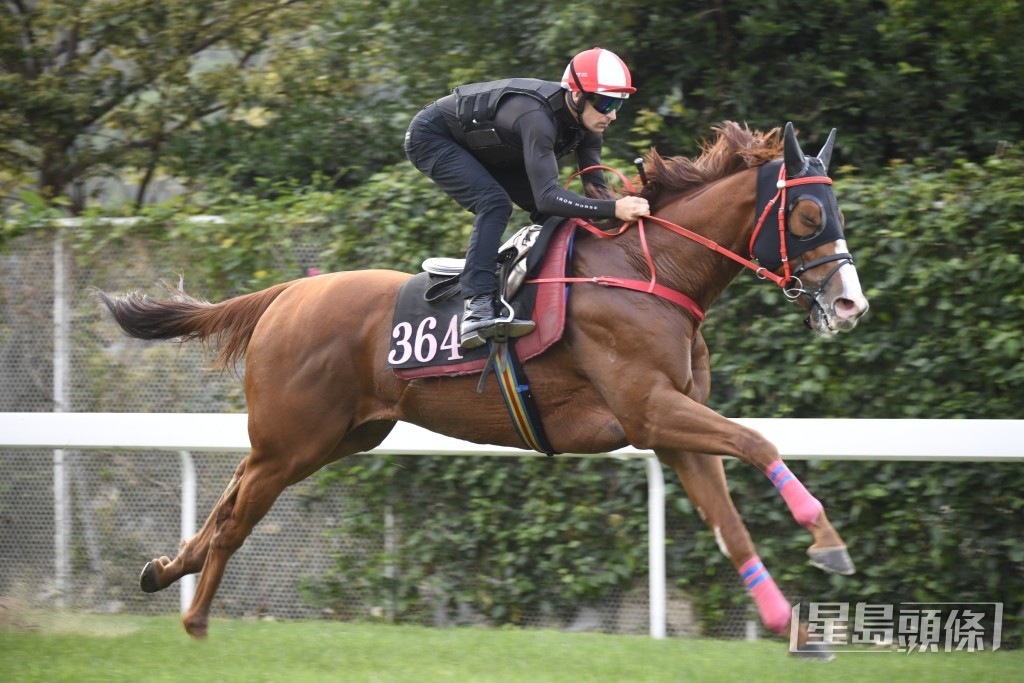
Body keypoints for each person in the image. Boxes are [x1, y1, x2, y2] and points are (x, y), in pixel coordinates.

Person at [404, 47, 650, 349]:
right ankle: (477, 307)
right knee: (494, 203)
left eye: (618, 104)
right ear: (576, 95)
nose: (612, 115)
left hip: (494, 148)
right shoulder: (537, 118)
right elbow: (547, 197)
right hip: (434, 137)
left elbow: (596, 196)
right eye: (606, 103)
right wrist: (614, 207)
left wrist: (633, 215)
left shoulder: (589, 127)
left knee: (560, 218)